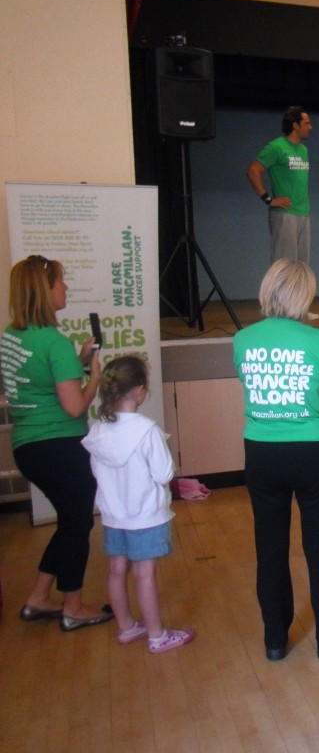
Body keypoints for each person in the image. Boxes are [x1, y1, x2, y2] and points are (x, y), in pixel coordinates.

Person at [233, 258, 319, 661]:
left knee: (269, 548)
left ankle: (275, 639)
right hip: (312, 451)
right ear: (305, 296)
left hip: (261, 451)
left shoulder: (242, 340)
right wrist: (306, 396)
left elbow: (252, 387)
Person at [1, 255, 112, 631]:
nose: (66, 288)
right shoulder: (54, 342)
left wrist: (75, 363)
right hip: (59, 447)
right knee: (77, 524)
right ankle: (73, 606)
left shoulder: (13, 336)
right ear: (44, 290)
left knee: (69, 521)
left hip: (28, 446)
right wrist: (93, 376)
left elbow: (43, 382)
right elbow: (75, 406)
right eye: (61, 282)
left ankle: (38, 597)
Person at [81, 355, 195, 653]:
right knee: (145, 574)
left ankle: (127, 626)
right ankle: (157, 636)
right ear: (140, 391)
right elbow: (164, 474)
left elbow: (96, 471)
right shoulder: (147, 430)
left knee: (116, 570)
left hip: (113, 516)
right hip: (146, 517)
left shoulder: (98, 430)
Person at [247, 107, 319, 318]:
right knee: (284, 265)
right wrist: (268, 199)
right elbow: (253, 171)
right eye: (306, 123)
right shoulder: (276, 147)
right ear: (295, 125)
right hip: (284, 214)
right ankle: (277, 312)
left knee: (301, 266)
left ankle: (299, 310)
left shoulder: (303, 150)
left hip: (303, 213)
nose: (310, 127)